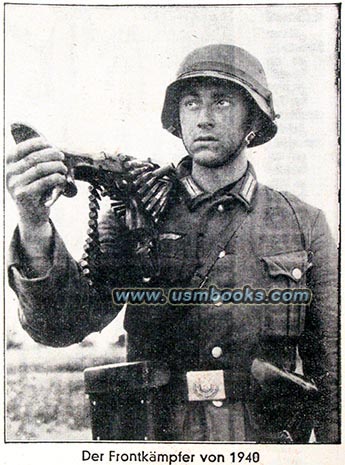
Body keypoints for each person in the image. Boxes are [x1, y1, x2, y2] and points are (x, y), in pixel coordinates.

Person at [6, 44, 339, 443]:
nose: (205, 118)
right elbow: (62, 326)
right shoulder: (134, 215)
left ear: (254, 118)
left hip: (268, 442)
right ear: (177, 120)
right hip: (159, 438)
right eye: (191, 104)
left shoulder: (302, 223)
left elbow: (333, 366)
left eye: (222, 102)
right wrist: (34, 222)